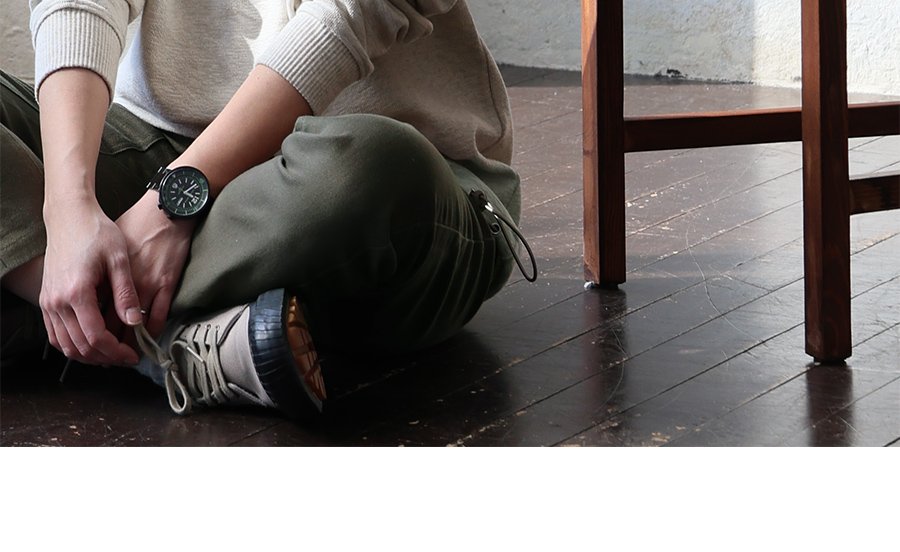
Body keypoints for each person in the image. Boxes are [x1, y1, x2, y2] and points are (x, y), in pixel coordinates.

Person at [0, 0, 529, 418]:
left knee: (365, 169)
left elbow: (346, 16)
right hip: (158, 144)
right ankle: (162, 341)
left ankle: (59, 301)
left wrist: (170, 205)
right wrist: (68, 211)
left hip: (357, 174)